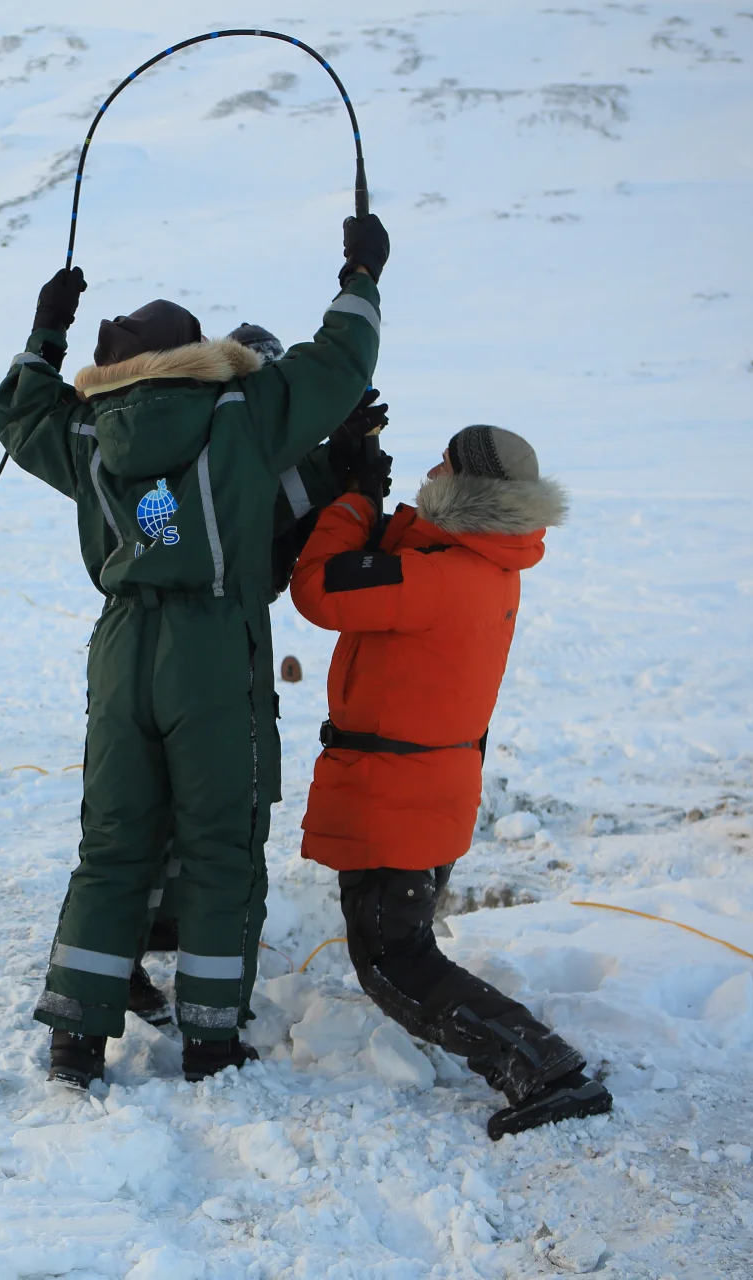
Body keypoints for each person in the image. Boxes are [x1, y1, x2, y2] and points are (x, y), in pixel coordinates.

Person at [0, 213, 389, 1089]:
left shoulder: (89, 432)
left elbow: (19, 412)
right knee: (220, 840)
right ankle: (210, 1038)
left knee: (114, 843)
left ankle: (75, 1038)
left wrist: (46, 328)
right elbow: (341, 361)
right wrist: (361, 272)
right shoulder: (241, 411)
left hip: (122, 646)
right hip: (211, 648)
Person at [288, 419, 614, 1138]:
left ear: (467, 490)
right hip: (429, 786)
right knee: (401, 948)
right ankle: (534, 1057)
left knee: (394, 963)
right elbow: (402, 567)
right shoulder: (484, 561)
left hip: (395, 794)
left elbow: (318, 590)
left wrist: (351, 505)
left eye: (442, 468)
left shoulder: (437, 575)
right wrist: (379, 503)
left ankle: (540, 1065)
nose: (428, 475)